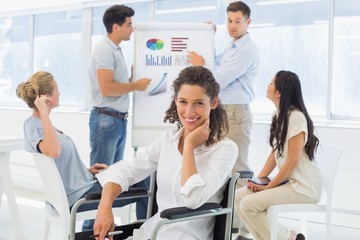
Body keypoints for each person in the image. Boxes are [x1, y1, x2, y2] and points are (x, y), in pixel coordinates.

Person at [92, 66, 238, 240]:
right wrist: (105, 205)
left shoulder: (225, 149)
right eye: (183, 102)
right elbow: (128, 169)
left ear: (213, 103)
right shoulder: (168, 140)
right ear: (175, 101)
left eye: (199, 103)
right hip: (152, 233)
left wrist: (190, 145)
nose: (189, 112)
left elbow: (193, 199)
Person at [16, 71, 144, 231]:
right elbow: (54, 152)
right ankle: (147, 233)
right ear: (46, 97)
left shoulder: (42, 124)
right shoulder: (34, 124)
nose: (60, 93)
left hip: (84, 186)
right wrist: (43, 112)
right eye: (56, 89)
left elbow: (57, 163)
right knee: (146, 180)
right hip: (79, 197)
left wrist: (85, 171)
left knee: (138, 174)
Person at [188, 1, 260, 235]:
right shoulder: (233, 46)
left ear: (248, 22)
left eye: (237, 21)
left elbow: (219, 80)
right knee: (223, 167)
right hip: (225, 112)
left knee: (238, 170)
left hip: (236, 113)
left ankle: (246, 228)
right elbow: (217, 62)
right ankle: (232, 225)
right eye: (229, 20)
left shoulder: (247, 49)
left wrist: (201, 65)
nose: (232, 25)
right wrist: (209, 38)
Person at [234, 70, 321, 240]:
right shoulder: (278, 116)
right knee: (239, 197)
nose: (268, 86)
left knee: (249, 204)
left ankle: (289, 237)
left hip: (304, 187)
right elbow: (275, 154)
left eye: (271, 83)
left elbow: (292, 162)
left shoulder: (296, 118)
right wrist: (257, 180)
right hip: (291, 183)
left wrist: (268, 186)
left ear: (279, 92)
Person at [88, 4, 151, 224]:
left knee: (114, 178)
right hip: (107, 120)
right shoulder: (104, 49)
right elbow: (107, 88)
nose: (132, 29)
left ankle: (100, 227)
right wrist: (135, 85)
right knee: (102, 182)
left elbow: (115, 84)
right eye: (129, 25)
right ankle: (91, 228)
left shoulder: (115, 49)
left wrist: (131, 80)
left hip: (116, 120)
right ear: (116, 27)